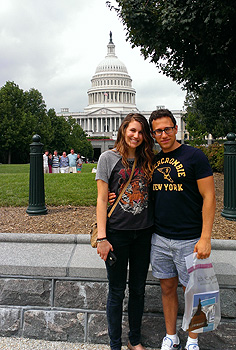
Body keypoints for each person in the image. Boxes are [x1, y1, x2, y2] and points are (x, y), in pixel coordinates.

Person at [149, 109, 216, 350]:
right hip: (160, 238)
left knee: (194, 292)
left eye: (167, 129)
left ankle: (193, 339)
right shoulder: (154, 161)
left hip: (190, 238)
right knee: (167, 288)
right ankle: (171, 336)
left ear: (175, 128)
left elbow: (209, 197)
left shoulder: (194, 156)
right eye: (158, 131)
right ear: (153, 134)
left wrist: (205, 237)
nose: (163, 134)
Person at [96, 113, 154, 350]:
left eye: (141, 132)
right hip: (117, 233)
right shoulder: (107, 158)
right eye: (132, 130)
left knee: (138, 289)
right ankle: (115, 344)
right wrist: (102, 237)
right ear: (123, 130)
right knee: (117, 291)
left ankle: (134, 340)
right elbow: (101, 199)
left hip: (143, 233)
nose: (136, 136)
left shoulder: (149, 159)